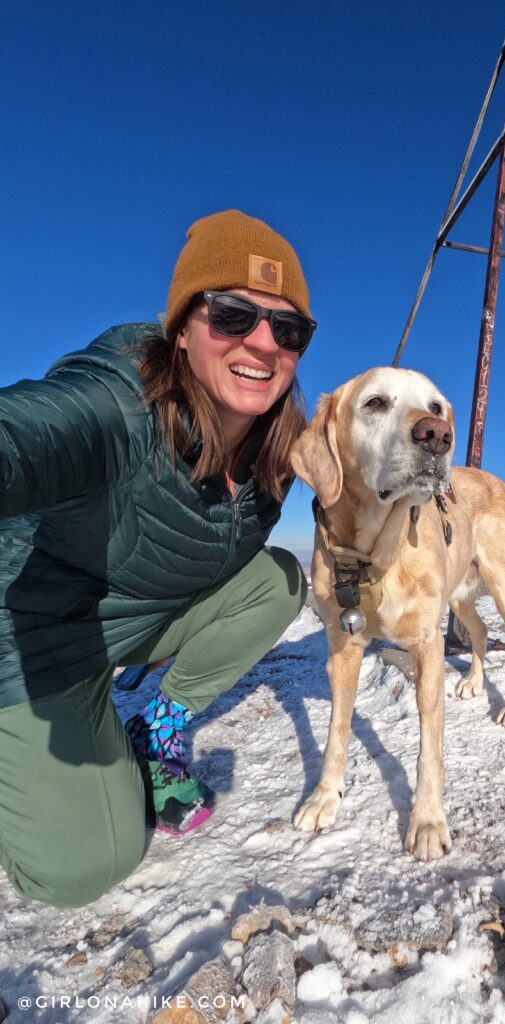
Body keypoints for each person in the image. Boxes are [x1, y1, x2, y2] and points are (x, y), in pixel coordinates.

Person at [0, 210, 312, 908]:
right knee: (82, 871)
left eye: (288, 330)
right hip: (32, 639)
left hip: (126, 618)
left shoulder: (275, 452)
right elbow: (33, 434)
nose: (262, 343)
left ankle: (153, 727)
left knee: (279, 582)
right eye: (233, 316)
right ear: (182, 325)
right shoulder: (119, 405)